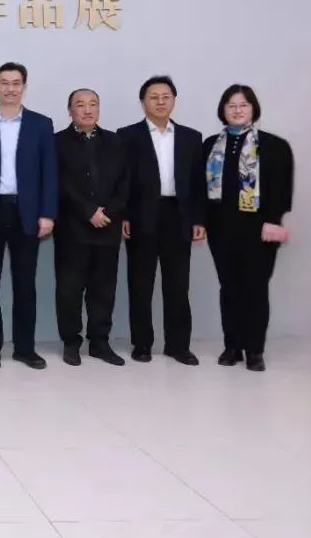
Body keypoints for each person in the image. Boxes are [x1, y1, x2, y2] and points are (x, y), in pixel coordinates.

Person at [0, 62, 57, 370]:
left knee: (25, 285)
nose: (10, 88)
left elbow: (49, 172)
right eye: (4, 83)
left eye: (16, 83)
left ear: (24, 87)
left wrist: (47, 213)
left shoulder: (41, 124)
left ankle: (25, 348)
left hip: (27, 213)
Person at [203, 85, 293, 372]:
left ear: (253, 108)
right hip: (221, 229)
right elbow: (200, 188)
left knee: (255, 289)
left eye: (243, 105)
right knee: (229, 288)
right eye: (231, 105)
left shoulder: (275, 146)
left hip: (260, 230)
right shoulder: (210, 146)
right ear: (223, 110)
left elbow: (282, 188)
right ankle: (232, 346)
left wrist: (274, 220)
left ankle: (254, 349)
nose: (237, 110)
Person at [118, 76, 205, 365]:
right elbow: (121, 180)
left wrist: (198, 219)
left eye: (165, 96)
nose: (160, 102)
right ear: (143, 102)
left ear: (174, 100)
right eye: (153, 97)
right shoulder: (127, 136)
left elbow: (198, 183)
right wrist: (124, 215)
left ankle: (178, 346)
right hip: (141, 215)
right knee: (140, 283)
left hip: (178, 216)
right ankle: (142, 344)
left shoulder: (191, 137)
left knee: (178, 285)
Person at [54, 89, 128, 366]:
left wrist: (109, 212)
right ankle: (71, 342)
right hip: (72, 228)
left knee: (103, 289)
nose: (87, 110)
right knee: (69, 290)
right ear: (70, 110)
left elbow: (125, 182)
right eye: (80, 105)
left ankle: (100, 342)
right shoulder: (57, 142)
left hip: (108, 227)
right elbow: (59, 183)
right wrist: (88, 211)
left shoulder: (115, 141)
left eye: (93, 104)